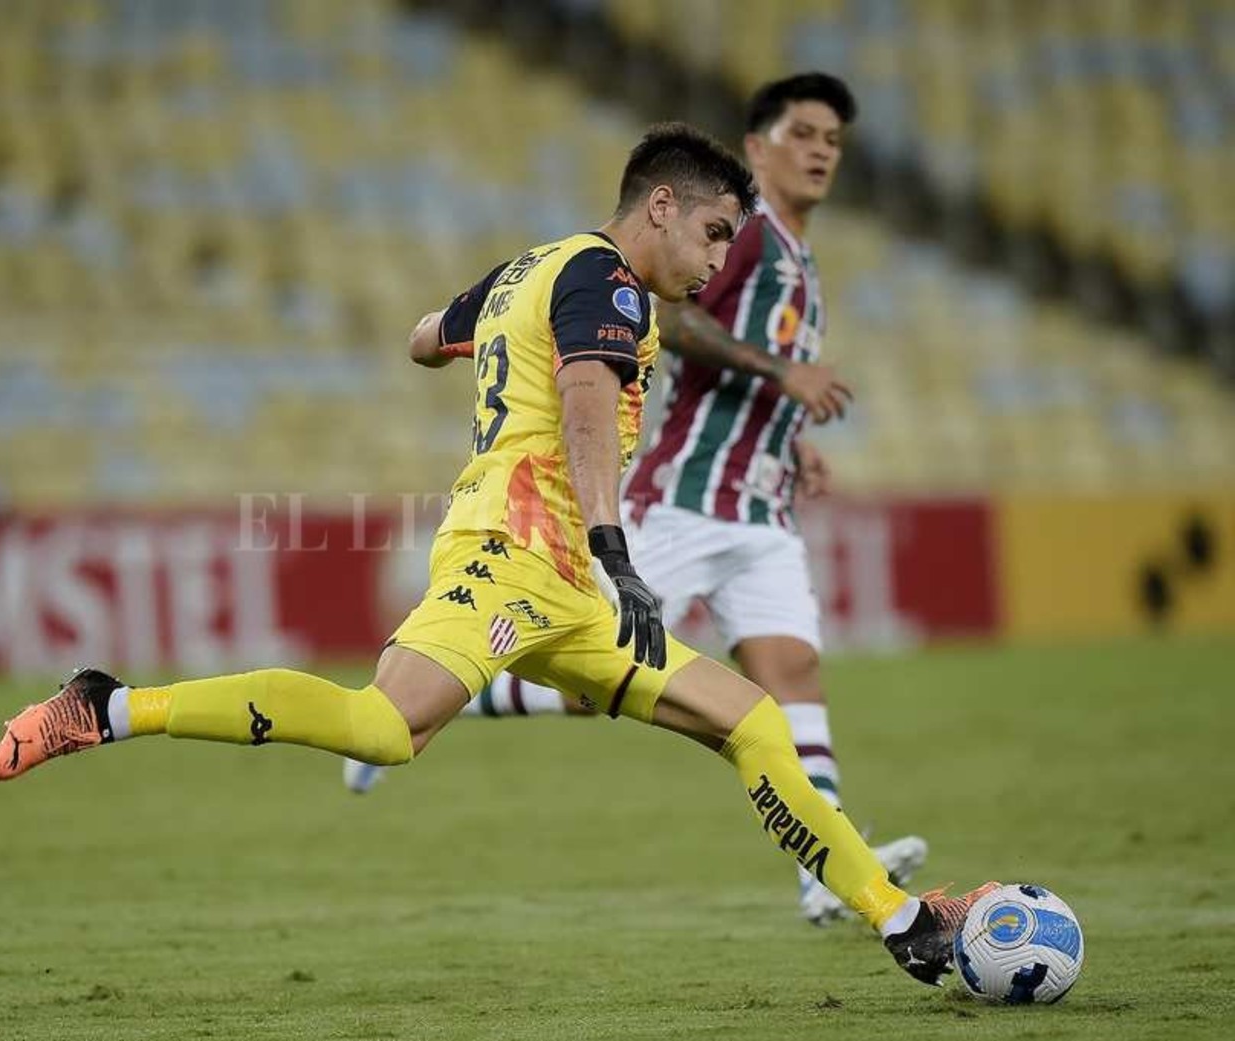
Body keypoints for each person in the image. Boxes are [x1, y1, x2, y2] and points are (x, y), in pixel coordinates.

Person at [0, 122, 994, 987]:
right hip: (515, 553)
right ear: (659, 206)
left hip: (568, 588)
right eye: (713, 232)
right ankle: (107, 706)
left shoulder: (536, 269)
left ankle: (901, 919)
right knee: (383, 729)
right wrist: (616, 549)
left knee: (752, 722)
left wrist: (488, 341)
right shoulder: (607, 285)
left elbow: (422, 337)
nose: (718, 259)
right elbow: (587, 404)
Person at [343, 73, 925, 927]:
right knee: (596, 672)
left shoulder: (788, 254)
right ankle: (426, 700)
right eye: (800, 134)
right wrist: (779, 373)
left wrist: (779, 437)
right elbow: (673, 323)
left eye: (832, 140)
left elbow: (434, 338)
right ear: (756, 149)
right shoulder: (735, 238)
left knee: (787, 673)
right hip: (679, 497)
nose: (819, 153)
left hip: (754, 503)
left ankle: (822, 871)